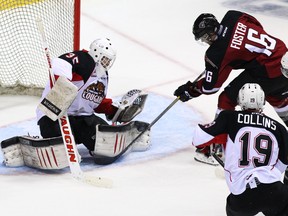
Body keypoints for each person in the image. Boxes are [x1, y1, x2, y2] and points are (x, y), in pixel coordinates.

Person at [0, 37, 150, 169]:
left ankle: (130, 136)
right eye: (105, 58)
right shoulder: (84, 60)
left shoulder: (102, 76)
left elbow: (93, 100)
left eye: (109, 60)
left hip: (82, 120)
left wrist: (113, 110)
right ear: (96, 53)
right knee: (59, 151)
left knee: (106, 145)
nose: (107, 63)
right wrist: (62, 84)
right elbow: (60, 61)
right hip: (53, 116)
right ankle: (25, 149)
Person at [174, 10, 288, 175]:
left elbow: (210, 87)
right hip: (283, 60)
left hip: (266, 71)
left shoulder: (217, 52)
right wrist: (243, 56)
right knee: (277, 97)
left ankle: (218, 148)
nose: (207, 41)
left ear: (213, 31)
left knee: (227, 98)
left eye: (206, 37)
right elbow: (256, 24)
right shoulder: (234, 16)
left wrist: (191, 89)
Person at [192, 83, 288, 216]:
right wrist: (267, 180)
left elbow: (198, 138)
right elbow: (283, 163)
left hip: (243, 196)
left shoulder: (229, 117)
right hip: (274, 190)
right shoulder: (279, 128)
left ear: (240, 100)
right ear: (262, 100)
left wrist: (210, 143)